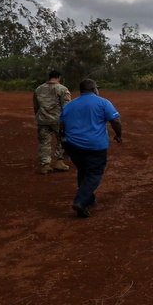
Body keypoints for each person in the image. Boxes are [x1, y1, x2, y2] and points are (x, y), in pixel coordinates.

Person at [59, 79, 122, 218]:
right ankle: (80, 201)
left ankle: (89, 198)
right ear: (94, 89)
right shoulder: (103, 102)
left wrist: (65, 145)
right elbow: (115, 121)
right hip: (95, 146)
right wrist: (118, 135)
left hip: (73, 146)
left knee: (83, 170)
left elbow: (62, 127)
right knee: (94, 173)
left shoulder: (69, 105)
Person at [33, 69, 71, 174]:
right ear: (59, 78)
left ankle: (45, 165)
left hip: (42, 120)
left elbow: (36, 106)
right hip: (58, 120)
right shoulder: (62, 89)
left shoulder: (38, 89)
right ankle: (59, 162)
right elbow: (67, 107)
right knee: (61, 140)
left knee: (44, 142)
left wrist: (39, 117)